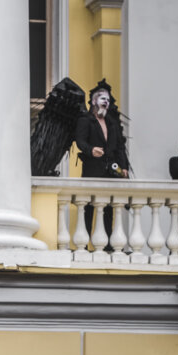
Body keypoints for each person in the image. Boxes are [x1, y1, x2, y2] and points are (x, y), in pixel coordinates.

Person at [74, 79, 130, 245]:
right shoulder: (85, 120)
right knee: (89, 207)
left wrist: (124, 167)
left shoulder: (112, 123)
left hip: (110, 171)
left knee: (108, 208)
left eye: (107, 99)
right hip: (92, 169)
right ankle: (83, 243)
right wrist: (91, 150)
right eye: (102, 98)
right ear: (93, 101)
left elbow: (120, 147)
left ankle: (107, 245)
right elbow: (80, 141)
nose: (106, 101)